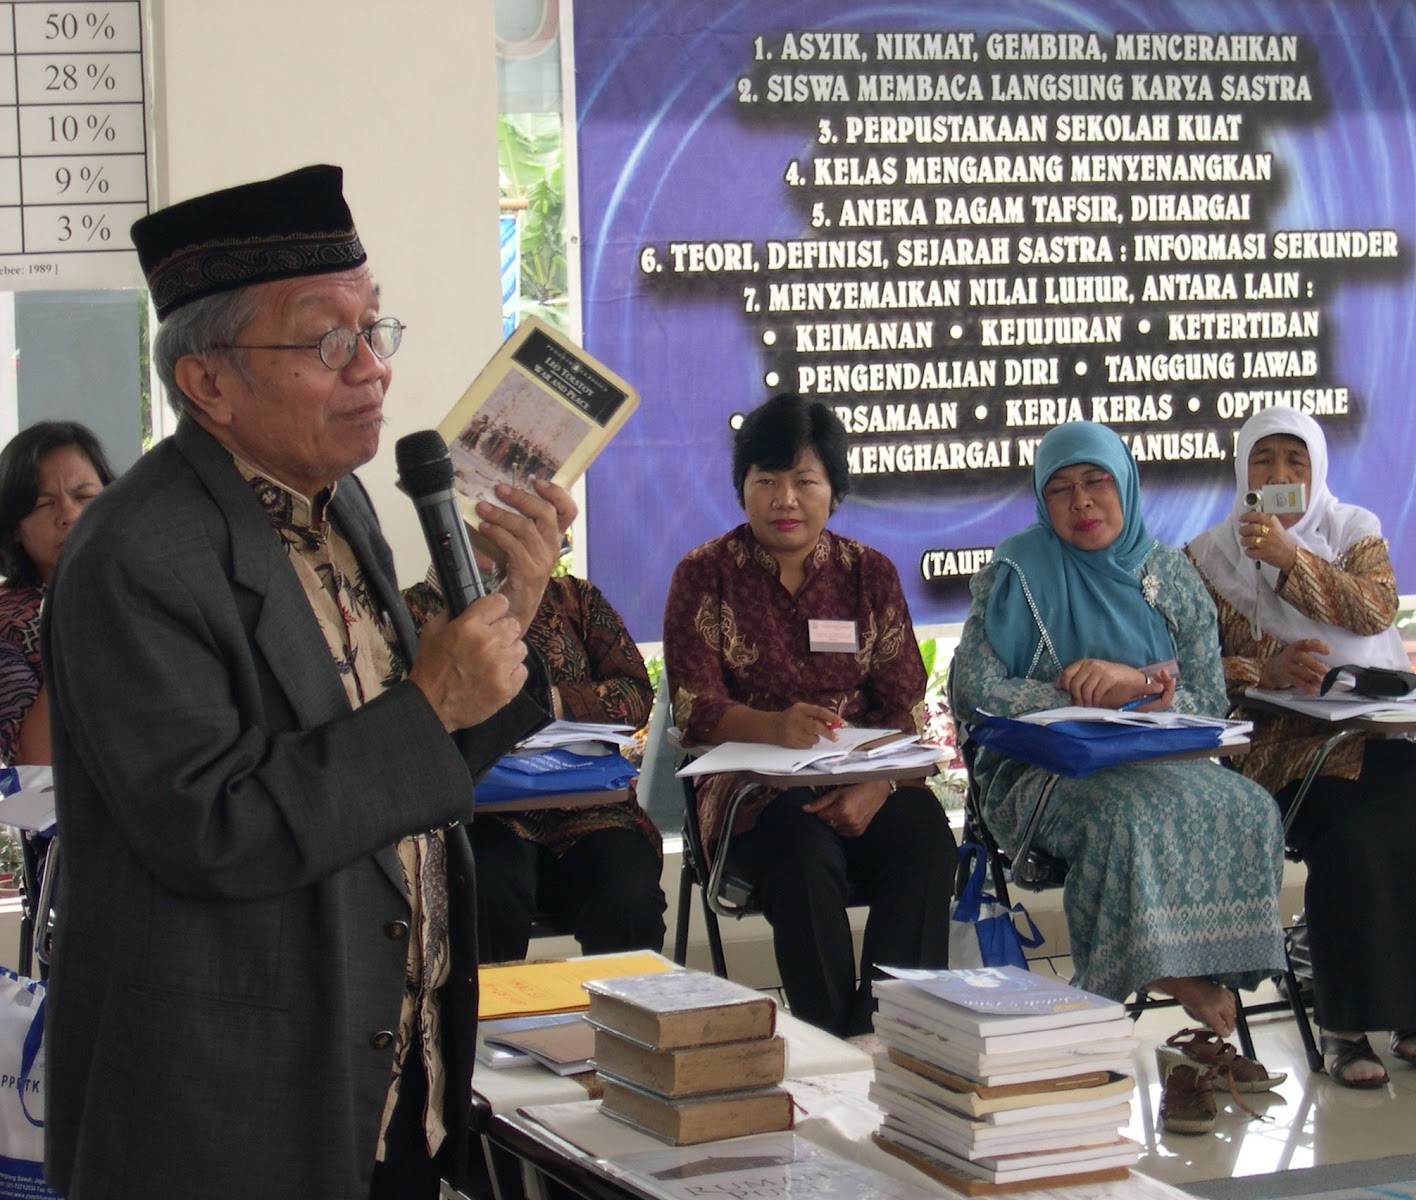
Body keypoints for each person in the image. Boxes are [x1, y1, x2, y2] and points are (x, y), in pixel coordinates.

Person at [42, 165, 574, 1200]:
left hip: (388, 1087)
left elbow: (408, 773)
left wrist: (508, 608)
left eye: (376, 328)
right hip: (231, 1119)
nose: (371, 369)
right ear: (207, 382)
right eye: (328, 341)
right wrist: (427, 701)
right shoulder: (137, 554)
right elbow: (213, 827)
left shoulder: (340, 508)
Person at [1187, 407, 1416, 1088]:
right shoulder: (1207, 557)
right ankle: (1344, 1025)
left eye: (1295, 461)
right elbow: (1200, 665)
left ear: (1317, 469)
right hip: (1289, 747)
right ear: (1242, 470)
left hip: (1386, 730)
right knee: (1359, 839)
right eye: (1265, 461)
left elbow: (1375, 609)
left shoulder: (1354, 530)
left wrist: (1290, 559)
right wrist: (1267, 669)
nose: (1280, 476)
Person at [948, 421, 1287, 1067]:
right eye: (1061, 489)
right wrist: (1070, 698)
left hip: (1159, 759)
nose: (1081, 503)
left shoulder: (1168, 574)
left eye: (1096, 481)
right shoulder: (1017, 572)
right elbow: (972, 691)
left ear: (1125, 485)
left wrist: (1140, 685)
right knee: (1124, 820)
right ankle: (1152, 973)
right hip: (1041, 771)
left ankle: (1196, 967)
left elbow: (1208, 702)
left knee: (1249, 807)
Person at [662, 393, 957, 1039]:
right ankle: (833, 1037)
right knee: (800, 852)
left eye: (804, 481)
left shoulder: (868, 574)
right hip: (754, 792)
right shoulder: (703, 575)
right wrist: (769, 727)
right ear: (743, 489)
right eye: (766, 481)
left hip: (868, 777)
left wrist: (876, 783)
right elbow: (694, 704)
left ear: (834, 489)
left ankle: (895, 1033)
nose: (784, 499)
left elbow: (904, 701)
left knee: (925, 838)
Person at [411, 573, 668, 961]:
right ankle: (488, 1021)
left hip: (588, 805)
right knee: (486, 892)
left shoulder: (574, 598)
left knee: (628, 896)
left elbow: (634, 696)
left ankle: (630, 1018)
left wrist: (547, 701)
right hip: (478, 811)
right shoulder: (417, 610)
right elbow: (401, 712)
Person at [0, 421, 115, 767]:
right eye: (42, 504)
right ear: (14, 527)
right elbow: (36, 761)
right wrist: (73, 626)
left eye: (85, 497)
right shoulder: (7, 623)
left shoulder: (156, 587)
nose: (69, 515)